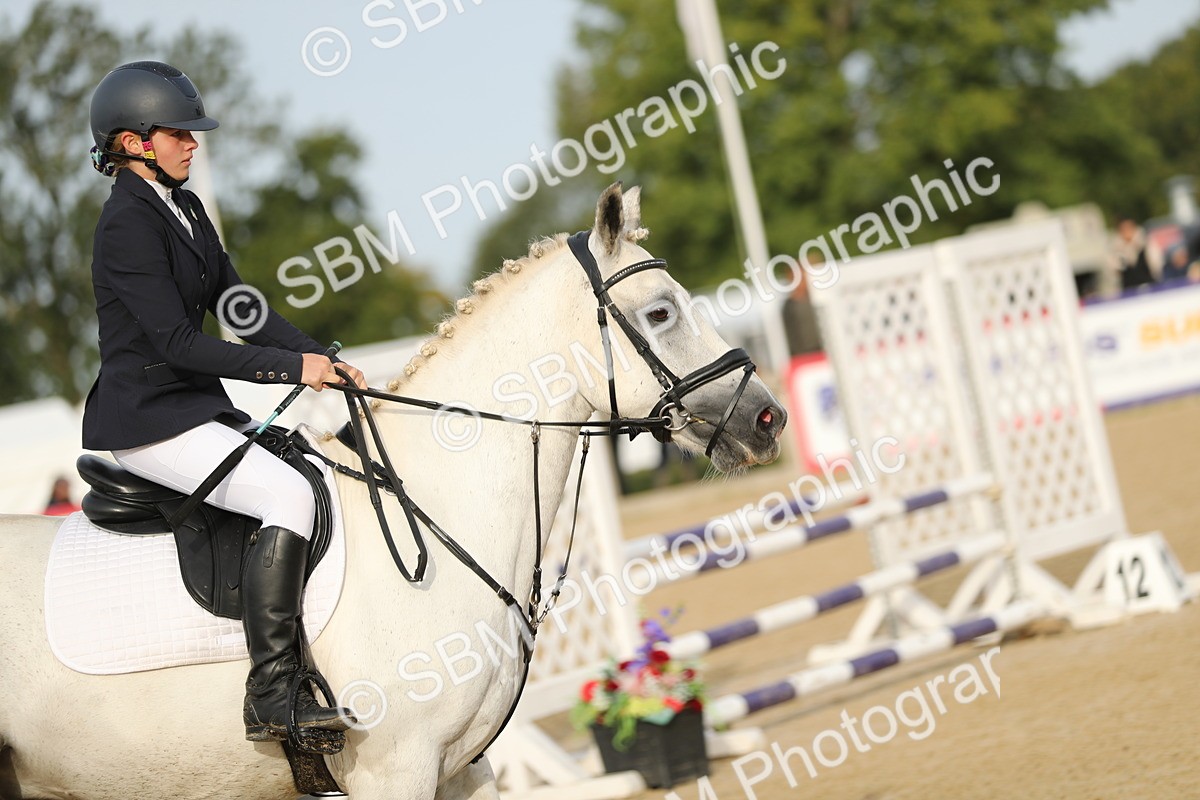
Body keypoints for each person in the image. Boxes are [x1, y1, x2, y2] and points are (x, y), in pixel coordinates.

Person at [84, 61, 366, 746]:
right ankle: (271, 692)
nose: (193, 143)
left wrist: (320, 359)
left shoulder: (184, 209)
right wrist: (290, 369)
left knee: (314, 473)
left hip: (192, 408)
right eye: (178, 133)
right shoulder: (126, 224)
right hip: (149, 420)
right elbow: (179, 344)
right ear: (134, 142)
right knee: (286, 495)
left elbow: (239, 307)